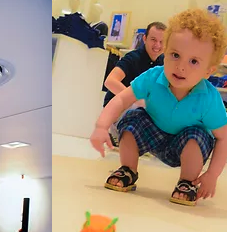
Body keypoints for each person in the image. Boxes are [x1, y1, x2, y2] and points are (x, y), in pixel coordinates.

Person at [91, 8, 227, 206]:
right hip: (152, 134)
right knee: (132, 117)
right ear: (165, 51)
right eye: (175, 55)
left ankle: (186, 182)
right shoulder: (153, 77)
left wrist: (212, 175)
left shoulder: (209, 98)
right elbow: (121, 99)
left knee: (198, 136)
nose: (181, 66)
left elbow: (223, 137)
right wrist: (102, 126)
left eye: (194, 61)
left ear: (208, 71)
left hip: (185, 146)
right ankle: (128, 169)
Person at [104, 22, 166, 108]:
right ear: (144, 39)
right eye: (153, 40)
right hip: (118, 107)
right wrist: (136, 100)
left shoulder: (164, 61)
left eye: (162, 41)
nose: (157, 45)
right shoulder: (133, 57)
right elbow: (110, 81)